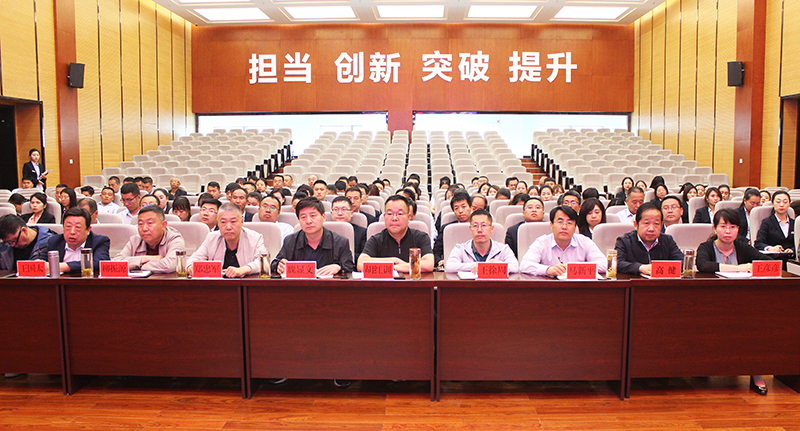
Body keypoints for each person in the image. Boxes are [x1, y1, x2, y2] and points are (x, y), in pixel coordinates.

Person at [695, 208, 773, 397]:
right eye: (723, 226)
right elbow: (703, 265)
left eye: (733, 227)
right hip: (711, 304)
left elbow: (767, 262)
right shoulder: (706, 247)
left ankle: (756, 373)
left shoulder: (743, 247)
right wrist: (739, 268)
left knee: (755, 327)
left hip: (743, 303)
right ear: (715, 228)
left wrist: (752, 267)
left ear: (739, 229)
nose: (728, 231)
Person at [272, 197, 354, 276]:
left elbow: (349, 267)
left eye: (313, 215)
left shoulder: (340, 242)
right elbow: (275, 263)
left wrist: (338, 267)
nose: (308, 221)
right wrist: (279, 265)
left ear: (323, 217)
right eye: (303, 217)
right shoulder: (291, 241)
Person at [519, 205, 607, 277]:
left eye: (569, 223)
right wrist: (548, 270)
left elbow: (603, 264)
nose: (564, 227)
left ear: (575, 227)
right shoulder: (542, 242)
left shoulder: (584, 242)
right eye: (560, 222)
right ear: (551, 225)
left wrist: (573, 268)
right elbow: (525, 265)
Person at [357, 195, 434, 274]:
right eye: (390, 214)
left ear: (408, 217)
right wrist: (394, 261)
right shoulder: (376, 240)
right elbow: (360, 264)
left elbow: (429, 264)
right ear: (384, 217)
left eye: (400, 214)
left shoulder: (420, 237)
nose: (394, 218)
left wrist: (396, 267)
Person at [187, 203, 266, 278]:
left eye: (233, 222)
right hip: (218, 285)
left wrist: (242, 270)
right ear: (218, 223)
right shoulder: (212, 238)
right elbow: (193, 259)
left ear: (242, 222)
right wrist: (191, 267)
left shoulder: (255, 238)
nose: (228, 227)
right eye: (223, 222)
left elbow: (263, 262)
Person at [614, 203, 683, 275]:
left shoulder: (667, 240)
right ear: (636, 225)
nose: (651, 229)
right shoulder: (624, 241)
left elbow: (682, 262)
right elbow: (617, 263)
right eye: (646, 223)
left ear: (661, 225)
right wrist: (640, 268)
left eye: (656, 223)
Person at [114, 205, 185, 273]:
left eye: (150, 223)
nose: (144, 228)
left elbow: (169, 265)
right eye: (140, 224)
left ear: (163, 225)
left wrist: (138, 266)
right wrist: (144, 259)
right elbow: (115, 263)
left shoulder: (175, 239)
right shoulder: (135, 240)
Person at [445, 210, 519, 274]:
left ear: (492, 229)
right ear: (470, 229)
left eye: (484, 225)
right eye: (475, 226)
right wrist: (480, 266)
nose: (479, 230)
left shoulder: (503, 249)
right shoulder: (460, 248)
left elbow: (515, 267)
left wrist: (491, 266)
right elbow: (450, 266)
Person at [46, 207, 110, 274]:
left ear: (88, 230)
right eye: (68, 226)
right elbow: (42, 261)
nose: (72, 232)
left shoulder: (99, 241)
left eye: (78, 227)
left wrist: (59, 267)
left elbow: (100, 263)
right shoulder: (54, 241)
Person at [434, 192, 472, 266]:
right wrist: (440, 262)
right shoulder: (447, 229)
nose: (460, 211)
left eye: (464, 206)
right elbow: (436, 253)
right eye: (456, 208)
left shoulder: (478, 227)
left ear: (471, 207)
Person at [755, 191, 794, 255]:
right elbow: (758, 243)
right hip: (772, 257)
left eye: (785, 202)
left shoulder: (794, 223)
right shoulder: (767, 222)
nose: (781, 205)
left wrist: (792, 249)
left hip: (792, 258)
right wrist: (770, 248)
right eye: (778, 202)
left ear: (789, 204)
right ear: (773, 203)